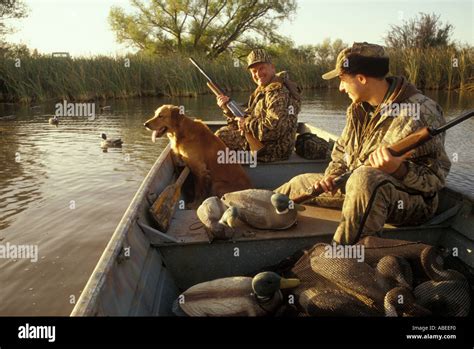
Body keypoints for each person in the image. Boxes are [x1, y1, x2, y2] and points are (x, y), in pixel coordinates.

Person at [276, 42, 451, 245]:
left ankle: (345, 258)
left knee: (365, 178)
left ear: (361, 78)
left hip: (411, 203)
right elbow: (341, 151)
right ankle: (250, 210)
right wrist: (331, 176)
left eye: (342, 80)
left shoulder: (422, 111)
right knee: (299, 183)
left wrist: (399, 170)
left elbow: (435, 180)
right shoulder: (356, 109)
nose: (340, 88)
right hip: (355, 187)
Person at [215, 49, 302, 162]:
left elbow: (274, 130)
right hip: (266, 142)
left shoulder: (278, 91)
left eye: (262, 68)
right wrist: (227, 109)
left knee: (219, 137)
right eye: (254, 71)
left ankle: (228, 177)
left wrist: (245, 123)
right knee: (225, 131)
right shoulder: (263, 89)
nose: (258, 74)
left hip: (275, 149)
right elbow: (247, 116)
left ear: (272, 68)